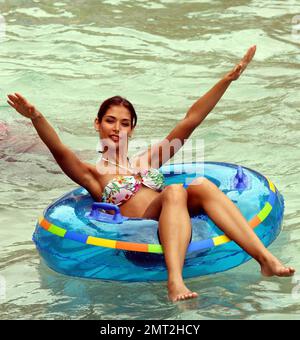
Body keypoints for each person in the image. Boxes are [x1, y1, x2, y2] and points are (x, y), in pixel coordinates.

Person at [6, 45, 295, 302]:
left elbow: (190, 120)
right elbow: (57, 148)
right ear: (97, 124)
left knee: (202, 185)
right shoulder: (92, 174)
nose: (117, 128)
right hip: (139, 230)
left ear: (132, 129)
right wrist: (36, 117)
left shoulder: (147, 160)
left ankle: (265, 259)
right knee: (173, 191)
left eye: (124, 123)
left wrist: (227, 80)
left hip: (172, 212)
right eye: (110, 121)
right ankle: (175, 281)